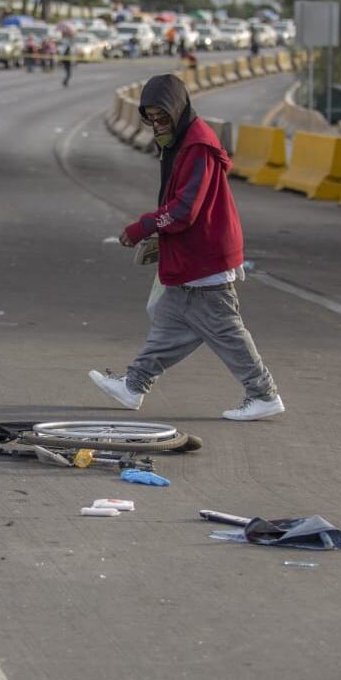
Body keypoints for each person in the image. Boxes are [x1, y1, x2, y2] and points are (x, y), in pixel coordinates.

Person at [88, 73, 283, 421]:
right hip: (195, 254)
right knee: (170, 319)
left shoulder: (196, 147)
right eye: (150, 118)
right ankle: (134, 385)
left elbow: (184, 210)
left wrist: (144, 226)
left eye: (162, 116)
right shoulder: (180, 141)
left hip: (207, 256)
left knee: (224, 328)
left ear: (177, 110)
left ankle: (263, 393)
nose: (156, 124)